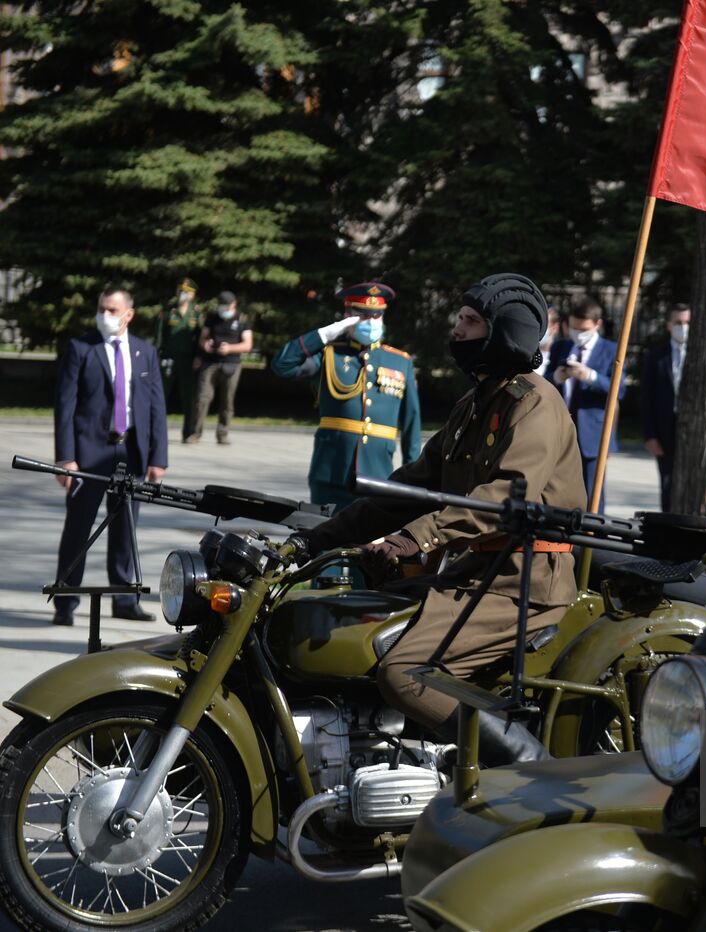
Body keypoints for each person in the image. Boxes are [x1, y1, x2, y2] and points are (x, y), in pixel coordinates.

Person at [290, 273, 583, 760]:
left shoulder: (533, 404)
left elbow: (504, 494)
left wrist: (412, 540)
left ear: (503, 333)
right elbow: (408, 490)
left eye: (470, 321)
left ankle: (532, 766)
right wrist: (315, 539)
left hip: (522, 584)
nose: (457, 330)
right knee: (348, 629)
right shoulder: (476, 404)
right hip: (476, 574)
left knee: (404, 672)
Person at [52, 288, 168, 625]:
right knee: (78, 528)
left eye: (113, 309)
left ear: (129, 314)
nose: (105, 314)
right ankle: (65, 601)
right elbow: (66, 406)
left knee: (124, 528)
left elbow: (156, 407)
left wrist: (157, 456)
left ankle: (124, 600)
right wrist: (66, 458)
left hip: (129, 452)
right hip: (88, 454)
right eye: (102, 308)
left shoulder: (144, 352)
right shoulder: (81, 348)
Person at [270, 282, 422, 510]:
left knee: (370, 544)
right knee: (322, 540)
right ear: (346, 316)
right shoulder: (329, 355)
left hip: (377, 474)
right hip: (331, 471)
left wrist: (413, 478)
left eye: (376, 315)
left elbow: (412, 422)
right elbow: (282, 365)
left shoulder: (400, 361)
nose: (370, 321)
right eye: (362, 315)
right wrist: (323, 335)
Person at [548, 296, 622, 512]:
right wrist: (557, 377)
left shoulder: (611, 349)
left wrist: (589, 376)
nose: (578, 333)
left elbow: (620, 389)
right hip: (562, 429)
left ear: (597, 325)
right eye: (574, 327)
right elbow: (547, 382)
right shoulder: (561, 347)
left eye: (584, 329)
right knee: (558, 486)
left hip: (593, 431)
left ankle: (592, 538)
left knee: (593, 490)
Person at [640, 304, 689, 511]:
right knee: (667, 484)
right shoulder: (657, 356)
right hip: (664, 429)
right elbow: (646, 397)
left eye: (687, 323)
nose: (683, 327)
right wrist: (650, 435)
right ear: (669, 325)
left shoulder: (701, 354)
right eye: (678, 323)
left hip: (691, 428)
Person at [188, 290, 253, 444]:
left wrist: (230, 348)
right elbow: (203, 338)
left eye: (226, 305)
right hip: (210, 362)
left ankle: (222, 434)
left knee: (227, 401)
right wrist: (205, 344)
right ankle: (195, 433)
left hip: (232, 364)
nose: (223, 308)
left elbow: (248, 345)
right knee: (202, 398)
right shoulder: (212, 317)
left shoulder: (242, 319)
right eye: (221, 305)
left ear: (234, 304)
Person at [154, 278, 200, 431]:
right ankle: (157, 430)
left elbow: (200, 337)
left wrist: (198, 357)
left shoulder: (196, 313)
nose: (183, 294)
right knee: (162, 395)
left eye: (187, 292)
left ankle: (188, 433)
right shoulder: (168, 311)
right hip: (169, 358)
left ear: (193, 295)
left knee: (188, 397)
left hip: (188, 360)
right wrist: (156, 356)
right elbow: (159, 336)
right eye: (180, 290)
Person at [532, 305, 560, 378]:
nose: (537, 330)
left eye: (542, 326)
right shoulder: (526, 357)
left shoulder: (560, 357)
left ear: (554, 328)